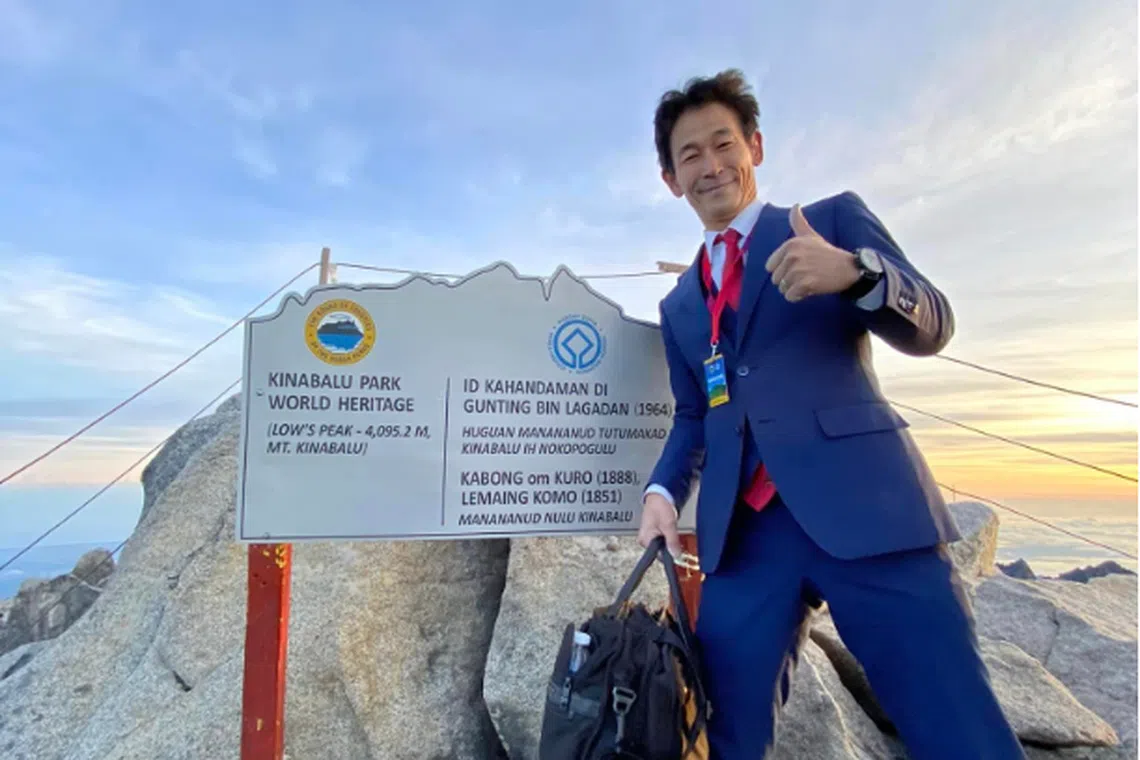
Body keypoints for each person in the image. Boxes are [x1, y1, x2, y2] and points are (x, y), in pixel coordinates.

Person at [636, 69, 1025, 759]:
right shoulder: (680, 308)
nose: (710, 165)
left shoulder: (831, 223)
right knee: (720, 734)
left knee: (956, 726)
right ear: (670, 179)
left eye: (724, 144)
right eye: (689, 154)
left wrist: (858, 274)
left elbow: (934, 325)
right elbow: (694, 415)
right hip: (745, 542)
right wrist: (664, 491)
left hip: (870, 511)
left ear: (755, 146)